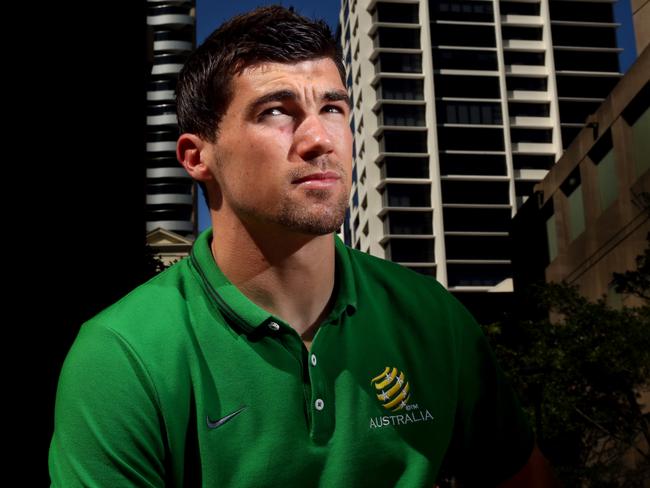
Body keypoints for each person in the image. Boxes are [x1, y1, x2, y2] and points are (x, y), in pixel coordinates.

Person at [49, 6, 558, 487]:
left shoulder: (433, 318)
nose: (320, 139)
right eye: (276, 111)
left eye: (333, 107)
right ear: (197, 156)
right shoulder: (122, 356)